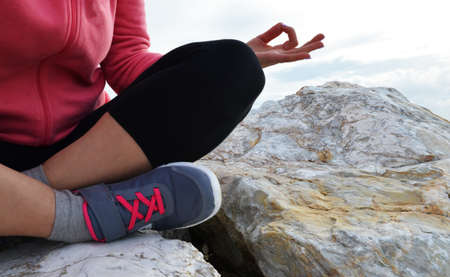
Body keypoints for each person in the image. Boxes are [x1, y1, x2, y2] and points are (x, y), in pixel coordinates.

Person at [0, 1, 325, 243]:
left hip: (83, 153)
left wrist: (210, 69)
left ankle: (23, 204)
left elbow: (126, 59)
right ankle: (76, 217)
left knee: (233, 65)